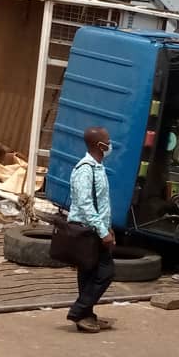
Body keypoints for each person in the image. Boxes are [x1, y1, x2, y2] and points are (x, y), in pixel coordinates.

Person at [65, 126, 116, 333]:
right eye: (108, 140)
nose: (110, 144)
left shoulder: (98, 168)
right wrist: (102, 231)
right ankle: (78, 311)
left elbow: (101, 202)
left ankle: (87, 315)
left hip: (98, 227)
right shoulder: (84, 169)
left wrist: (108, 228)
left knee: (90, 273)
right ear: (100, 145)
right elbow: (85, 204)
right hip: (88, 230)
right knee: (106, 272)